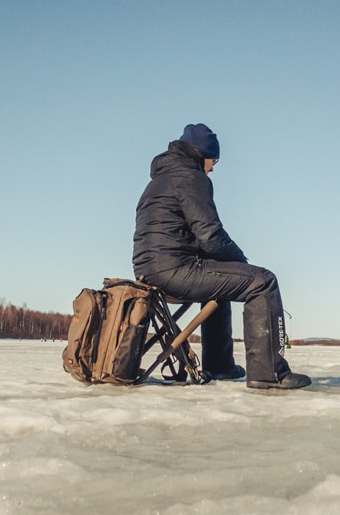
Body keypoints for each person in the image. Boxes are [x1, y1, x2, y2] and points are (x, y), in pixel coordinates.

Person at [133, 123, 311, 390]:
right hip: (173, 269)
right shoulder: (192, 177)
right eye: (213, 159)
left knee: (224, 279)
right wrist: (240, 260)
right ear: (200, 154)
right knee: (262, 281)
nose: (213, 167)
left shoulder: (159, 180)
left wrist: (229, 264)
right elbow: (209, 234)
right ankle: (268, 373)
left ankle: (221, 365)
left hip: (150, 269)